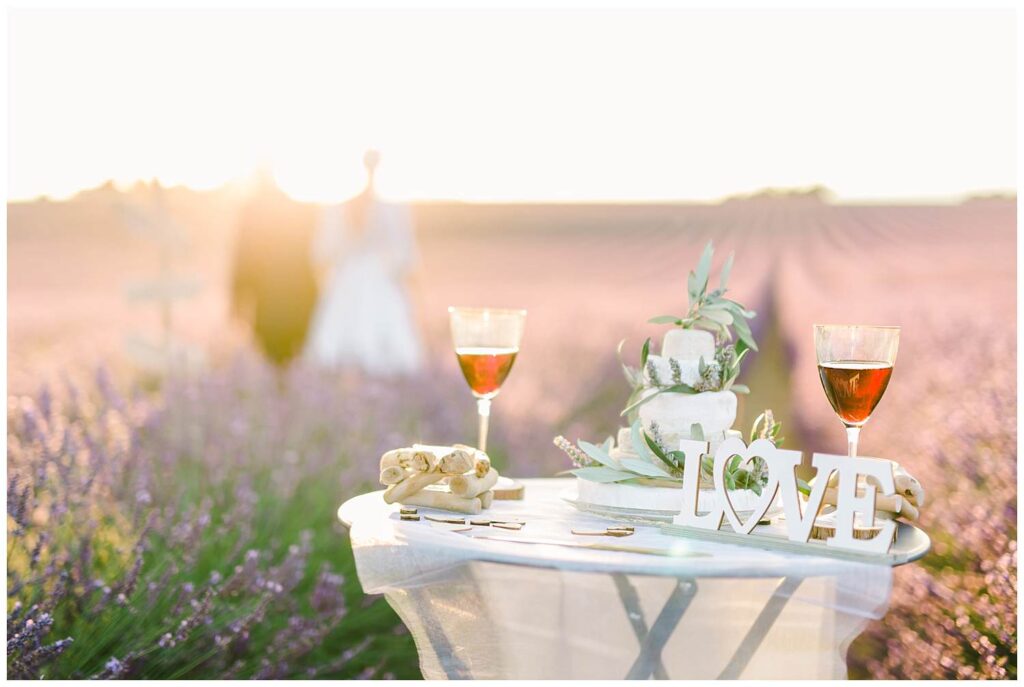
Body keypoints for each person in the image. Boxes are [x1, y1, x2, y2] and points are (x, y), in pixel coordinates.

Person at [304, 150, 423, 375]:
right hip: (367, 279)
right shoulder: (387, 208)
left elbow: (322, 252)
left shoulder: (349, 207)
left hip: (355, 280)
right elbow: (406, 255)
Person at [230, 169, 319, 368]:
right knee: (288, 352)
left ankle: (280, 388)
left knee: (274, 351)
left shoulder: (253, 209)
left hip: (270, 297)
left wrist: (238, 297)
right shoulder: (294, 207)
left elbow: (244, 254)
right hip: (293, 296)